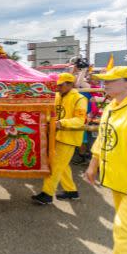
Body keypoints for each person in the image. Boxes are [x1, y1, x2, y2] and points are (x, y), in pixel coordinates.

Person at [85, 67, 127, 254]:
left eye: (111, 80)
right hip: (119, 182)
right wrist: (93, 165)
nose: (106, 83)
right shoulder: (112, 107)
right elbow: (103, 139)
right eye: (104, 80)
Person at [32, 73, 87, 205]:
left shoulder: (80, 99)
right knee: (62, 165)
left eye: (61, 85)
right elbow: (51, 114)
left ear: (70, 84)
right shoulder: (56, 96)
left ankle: (47, 194)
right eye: (57, 85)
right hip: (55, 136)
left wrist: (61, 123)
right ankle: (71, 192)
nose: (58, 88)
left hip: (68, 138)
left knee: (55, 166)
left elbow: (80, 120)